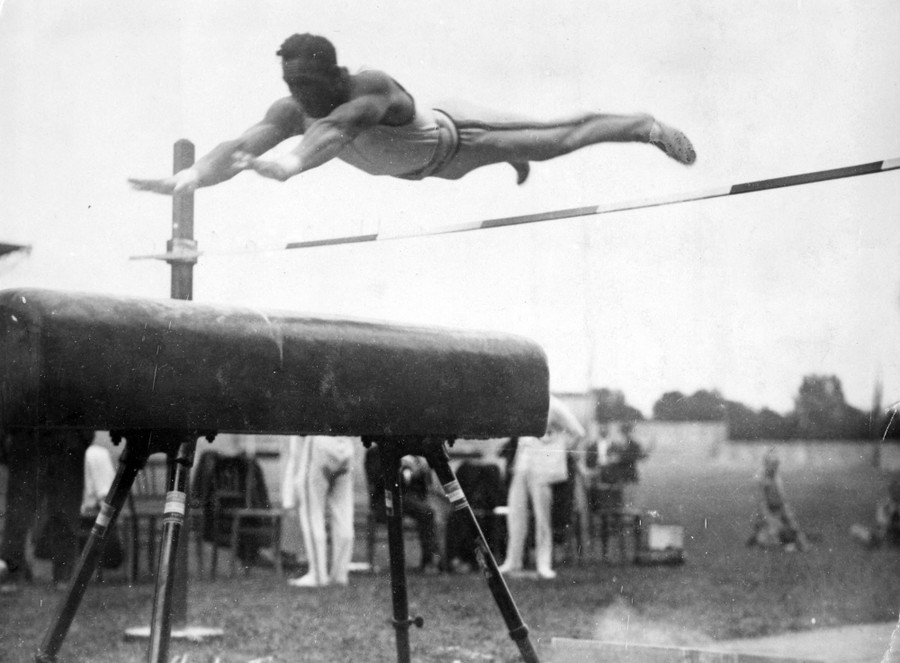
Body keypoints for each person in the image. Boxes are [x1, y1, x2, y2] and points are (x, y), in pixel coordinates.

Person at [129, 33, 696, 197]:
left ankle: (644, 126)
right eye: (289, 85)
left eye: (305, 84)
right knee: (518, 158)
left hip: (461, 135)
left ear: (335, 73)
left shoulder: (369, 89)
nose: (297, 96)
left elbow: (338, 129)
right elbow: (241, 145)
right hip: (428, 171)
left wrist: (292, 165)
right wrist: (192, 177)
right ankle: (512, 162)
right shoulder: (292, 109)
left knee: (560, 136)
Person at [498, 396, 585, 580]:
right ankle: (512, 561)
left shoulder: (554, 406)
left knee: (542, 517)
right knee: (515, 514)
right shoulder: (522, 404)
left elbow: (578, 432)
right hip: (521, 465)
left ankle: (543, 564)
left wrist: (558, 452)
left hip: (542, 468)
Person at [1, 428, 94, 592]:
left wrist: (81, 439)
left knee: (66, 514)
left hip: (67, 443)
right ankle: (11, 578)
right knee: (17, 517)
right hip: (26, 442)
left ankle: (64, 578)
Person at [281, 435, 356, 588]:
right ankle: (340, 575)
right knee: (343, 514)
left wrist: (288, 499)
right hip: (346, 444)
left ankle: (318, 575)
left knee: (312, 514)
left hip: (318, 442)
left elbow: (295, 455)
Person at [364, 446, 442, 573]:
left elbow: (422, 487)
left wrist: (422, 469)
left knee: (426, 511)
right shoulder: (376, 452)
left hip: (408, 502)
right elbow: (379, 480)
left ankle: (431, 561)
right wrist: (408, 472)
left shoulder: (411, 452)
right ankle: (431, 561)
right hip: (385, 500)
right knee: (424, 511)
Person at [746, 449, 808, 552]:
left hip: (779, 511)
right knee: (773, 535)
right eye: (773, 464)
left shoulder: (777, 478)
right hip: (766, 515)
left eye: (776, 464)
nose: (775, 467)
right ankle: (760, 537)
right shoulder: (760, 479)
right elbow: (762, 505)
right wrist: (772, 521)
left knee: (792, 530)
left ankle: (784, 539)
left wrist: (790, 520)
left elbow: (783, 501)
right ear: (766, 463)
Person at [851, 476, 900, 548]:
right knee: (855, 529)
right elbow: (883, 522)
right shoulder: (885, 506)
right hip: (890, 533)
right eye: (896, 491)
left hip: (891, 533)